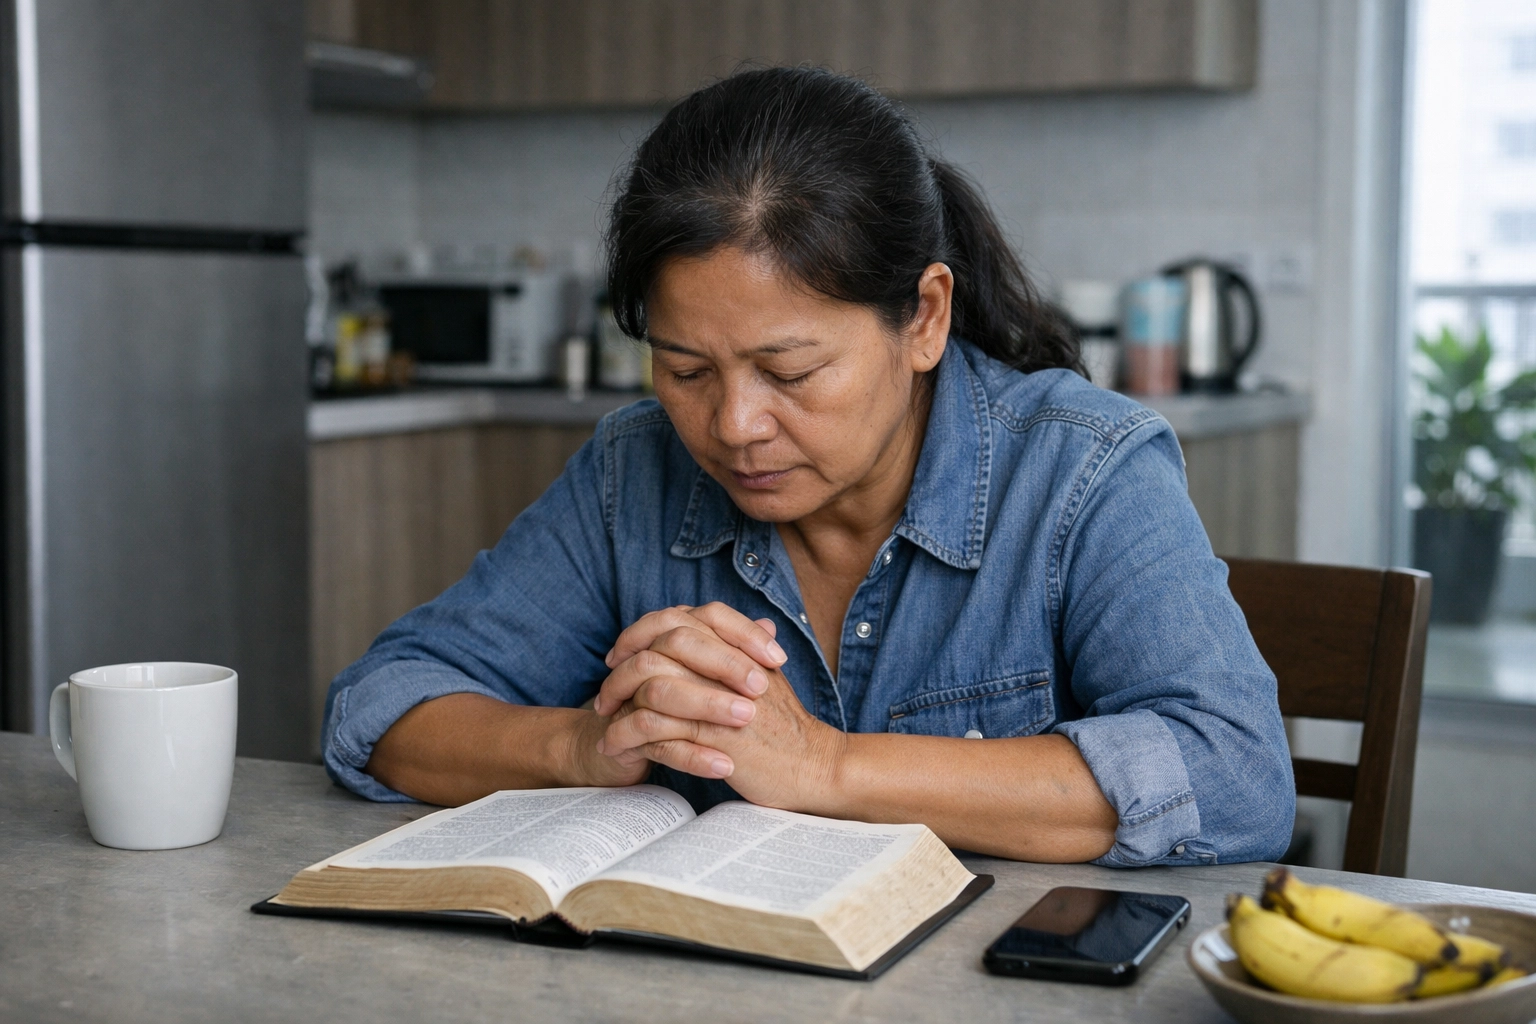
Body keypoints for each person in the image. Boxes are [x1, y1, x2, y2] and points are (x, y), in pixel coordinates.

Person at [323, 66, 1294, 868]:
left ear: (924, 317)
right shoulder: (636, 468)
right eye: (685, 367)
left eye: (790, 370)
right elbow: (382, 703)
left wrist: (827, 766)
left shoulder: (1085, 467)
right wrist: (581, 744)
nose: (736, 425)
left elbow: (1236, 777)